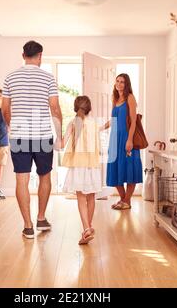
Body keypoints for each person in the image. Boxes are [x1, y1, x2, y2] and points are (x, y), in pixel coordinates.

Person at [2, 41, 63, 239]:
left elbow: (4, 109)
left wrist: (14, 127)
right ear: (40, 56)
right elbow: (54, 108)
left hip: (19, 136)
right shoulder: (48, 78)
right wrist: (60, 135)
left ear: (23, 55)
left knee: (22, 178)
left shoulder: (10, 77)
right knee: (45, 176)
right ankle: (41, 218)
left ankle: (27, 226)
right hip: (43, 135)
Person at [61, 96, 102, 245]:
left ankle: (86, 228)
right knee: (91, 197)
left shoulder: (73, 123)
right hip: (92, 166)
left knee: (81, 198)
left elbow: (61, 144)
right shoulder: (94, 123)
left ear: (75, 107)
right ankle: (88, 228)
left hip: (78, 165)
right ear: (89, 108)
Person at [102, 74, 143, 210]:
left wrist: (130, 140)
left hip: (126, 137)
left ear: (127, 84)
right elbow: (113, 120)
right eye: (118, 81)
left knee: (129, 168)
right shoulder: (115, 98)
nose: (119, 84)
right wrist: (99, 128)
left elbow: (133, 122)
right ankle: (124, 200)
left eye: (123, 82)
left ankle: (126, 201)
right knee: (114, 168)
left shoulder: (130, 98)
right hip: (114, 139)